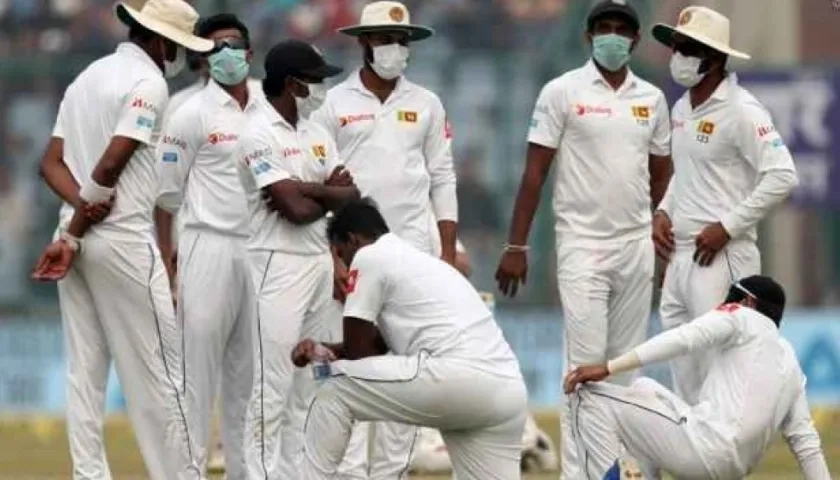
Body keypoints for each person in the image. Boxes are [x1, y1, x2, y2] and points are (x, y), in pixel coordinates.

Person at [30, 0, 214, 478]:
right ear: (159, 40)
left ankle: (89, 475)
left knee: (84, 374)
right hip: (119, 239)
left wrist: (76, 214)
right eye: (177, 45)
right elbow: (110, 165)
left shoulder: (88, 76)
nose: (177, 56)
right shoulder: (148, 83)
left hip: (78, 232)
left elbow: (51, 164)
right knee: (164, 374)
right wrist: (80, 223)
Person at [494, 1, 671, 477]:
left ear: (635, 40)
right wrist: (516, 246)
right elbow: (535, 172)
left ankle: (622, 469)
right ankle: (581, 473)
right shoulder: (561, 91)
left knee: (624, 370)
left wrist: (661, 220)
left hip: (635, 245)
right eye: (603, 28)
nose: (612, 37)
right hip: (581, 244)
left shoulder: (652, 98)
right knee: (584, 368)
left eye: (621, 30)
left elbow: (662, 173)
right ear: (587, 36)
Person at [310, 2, 459, 475]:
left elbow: (443, 179)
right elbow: (319, 183)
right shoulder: (334, 103)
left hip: (412, 252)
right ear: (364, 43)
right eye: (385, 39)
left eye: (402, 41)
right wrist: (331, 260)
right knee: (352, 363)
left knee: (406, 369)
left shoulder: (427, 103)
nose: (396, 49)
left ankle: (390, 472)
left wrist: (448, 252)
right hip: (352, 252)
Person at [292, 198, 527, 480]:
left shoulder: (369, 256)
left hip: (456, 376)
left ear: (353, 240)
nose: (344, 270)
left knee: (335, 388)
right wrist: (324, 350)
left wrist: (330, 359)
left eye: (342, 256)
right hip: (506, 391)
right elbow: (374, 346)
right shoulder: (418, 261)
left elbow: (358, 356)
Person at [651, 6, 799, 405]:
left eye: (688, 47)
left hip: (723, 258)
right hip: (681, 258)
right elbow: (685, 173)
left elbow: (783, 175)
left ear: (714, 57)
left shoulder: (742, 109)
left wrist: (728, 227)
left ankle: (727, 463)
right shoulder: (682, 107)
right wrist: (663, 211)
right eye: (676, 46)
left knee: (723, 375)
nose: (677, 55)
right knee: (686, 377)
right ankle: (697, 465)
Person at [234, 39, 358, 479]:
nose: (322, 89)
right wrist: (323, 191)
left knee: (311, 384)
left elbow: (350, 195)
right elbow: (295, 211)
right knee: (273, 386)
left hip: (317, 264)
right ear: (291, 83)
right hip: (276, 263)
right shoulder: (257, 132)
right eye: (315, 81)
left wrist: (309, 190)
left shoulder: (317, 133)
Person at [563, 276, 831, 479]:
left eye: (731, 298)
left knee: (586, 396)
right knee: (644, 388)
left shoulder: (742, 315)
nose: (725, 304)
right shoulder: (790, 361)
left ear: (748, 302)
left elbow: (685, 338)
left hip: (704, 449)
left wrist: (610, 366)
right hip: (731, 469)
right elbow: (806, 444)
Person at [153, 13, 260, 479]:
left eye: (233, 44)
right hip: (207, 245)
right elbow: (165, 195)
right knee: (195, 377)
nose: (226, 54)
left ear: (249, 51)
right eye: (215, 48)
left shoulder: (270, 106)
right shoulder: (189, 113)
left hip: (259, 251)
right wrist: (167, 259)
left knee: (249, 382)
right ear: (202, 58)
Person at [411, 240, 559, 476]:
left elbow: (462, 264)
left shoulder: (431, 225)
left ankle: (527, 440)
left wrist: (429, 269)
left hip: (461, 368)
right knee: (421, 455)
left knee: (425, 456)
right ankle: (527, 442)